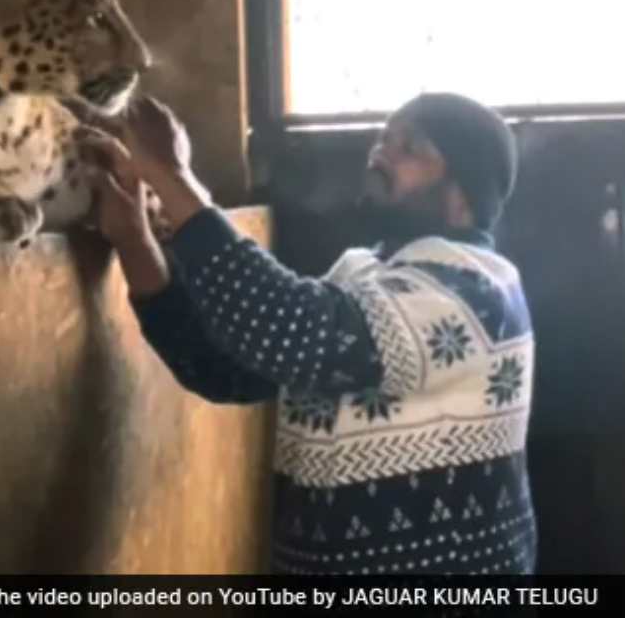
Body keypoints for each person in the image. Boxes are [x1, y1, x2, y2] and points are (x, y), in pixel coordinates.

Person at [83, 92, 536, 576]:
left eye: (410, 146)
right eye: (385, 137)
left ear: (463, 193)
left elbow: (294, 332)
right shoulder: (369, 273)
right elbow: (220, 368)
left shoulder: (473, 292)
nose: (381, 151)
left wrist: (172, 175)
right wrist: (132, 237)